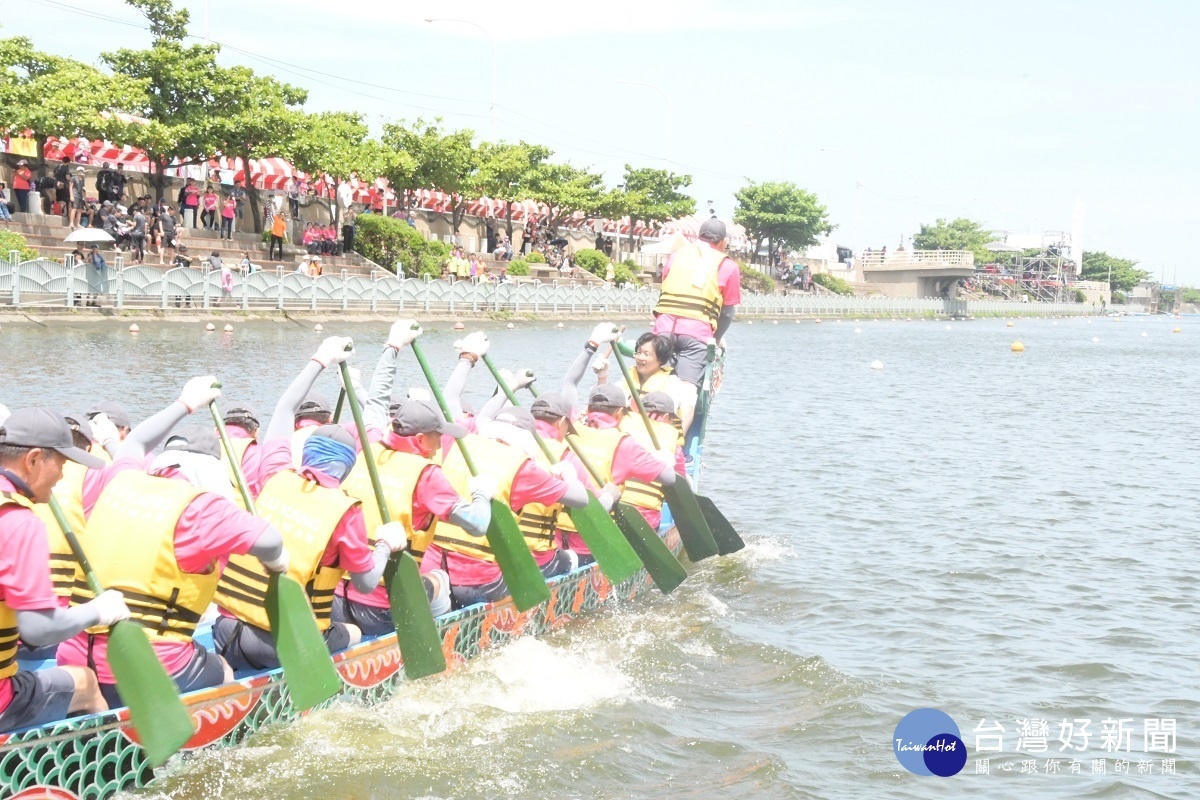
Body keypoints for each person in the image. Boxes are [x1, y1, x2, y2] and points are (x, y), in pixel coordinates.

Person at [54, 377, 289, 708]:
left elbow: (135, 443)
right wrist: (278, 561)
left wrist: (184, 404)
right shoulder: (204, 509)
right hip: (146, 669)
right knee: (221, 668)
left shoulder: (121, 479)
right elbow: (271, 539)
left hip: (74, 654)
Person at [213, 338, 404, 670]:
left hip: (224, 629)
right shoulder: (345, 511)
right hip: (282, 643)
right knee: (354, 632)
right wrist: (386, 544)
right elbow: (365, 583)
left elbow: (286, 408)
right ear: (346, 468)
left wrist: (320, 359)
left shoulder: (275, 472)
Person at [335, 322, 493, 631]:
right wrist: (481, 493)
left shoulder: (368, 445)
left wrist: (392, 348)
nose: (439, 446)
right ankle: (444, 637)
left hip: (335, 599)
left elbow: (377, 400)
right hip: (381, 604)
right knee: (439, 579)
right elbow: (477, 524)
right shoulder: (425, 475)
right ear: (420, 439)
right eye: (437, 438)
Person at [0, 408, 128, 732]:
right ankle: (107, 768)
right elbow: (38, 630)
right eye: (61, 463)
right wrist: (96, 612)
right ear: (32, 460)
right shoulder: (19, 522)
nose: (61, 476)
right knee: (85, 682)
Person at [651, 217, 741, 436]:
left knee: (658, 384)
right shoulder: (727, 266)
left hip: (663, 329)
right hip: (696, 334)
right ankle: (675, 442)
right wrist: (716, 338)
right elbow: (728, 312)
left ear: (698, 237)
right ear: (722, 242)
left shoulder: (675, 257)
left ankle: (649, 432)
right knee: (688, 391)